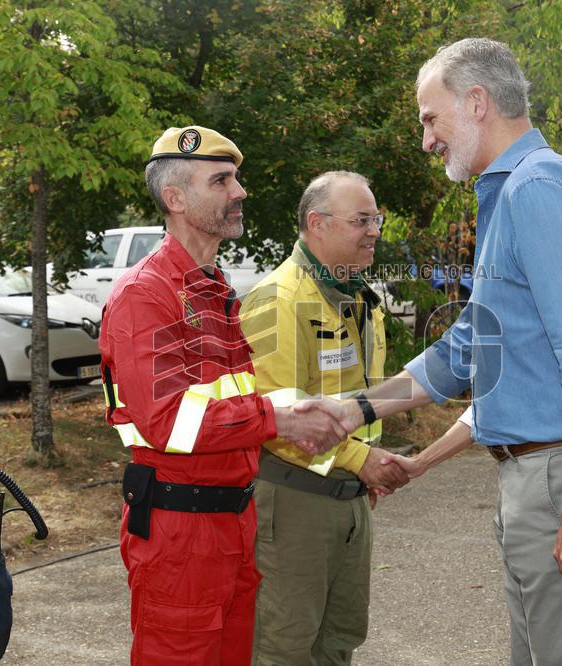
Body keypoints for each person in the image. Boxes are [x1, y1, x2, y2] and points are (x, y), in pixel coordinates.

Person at [306, 38, 562, 665]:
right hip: (543, 471)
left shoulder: (537, 192)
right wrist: (357, 409)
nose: (426, 139)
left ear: (475, 103)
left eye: (428, 118)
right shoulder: (509, 194)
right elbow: (472, 343)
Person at [98, 126, 347, 666]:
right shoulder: (147, 293)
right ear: (176, 198)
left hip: (230, 522)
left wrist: (291, 412)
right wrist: (277, 419)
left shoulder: (213, 288)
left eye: (235, 178)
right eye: (222, 180)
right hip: (180, 534)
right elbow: (168, 423)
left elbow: (228, 400)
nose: (240, 192)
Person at [240, 171, 408, 665]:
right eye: (361, 220)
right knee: (284, 647)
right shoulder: (279, 300)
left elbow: (362, 397)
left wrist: (363, 469)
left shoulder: (357, 297)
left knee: (340, 639)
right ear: (317, 223)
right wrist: (362, 461)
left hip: (350, 496)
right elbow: (277, 411)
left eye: (375, 218)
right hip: (294, 501)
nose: (374, 230)